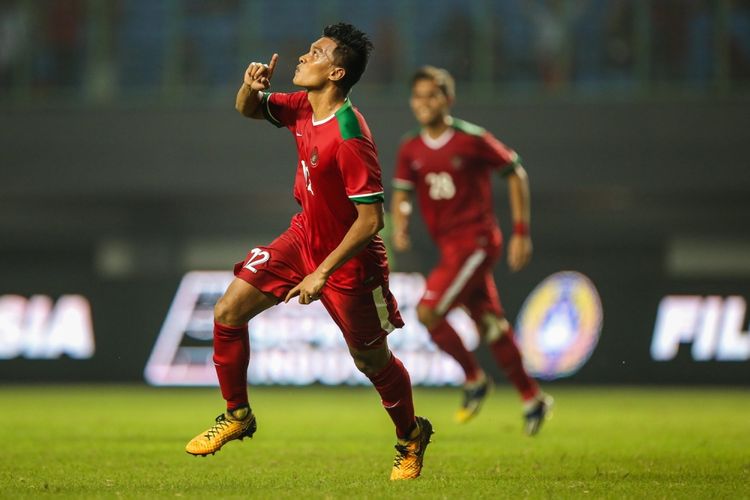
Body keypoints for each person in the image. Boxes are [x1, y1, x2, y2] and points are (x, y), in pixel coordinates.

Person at [183, 23, 432, 481]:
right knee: (228, 310)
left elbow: (371, 221)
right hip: (302, 238)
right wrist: (249, 88)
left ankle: (411, 436)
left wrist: (322, 273)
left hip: (350, 261)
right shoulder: (301, 107)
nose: (302, 57)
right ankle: (237, 416)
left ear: (336, 72)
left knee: (370, 361)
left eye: (315, 52)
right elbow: (249, 111)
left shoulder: (350, 134)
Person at [390, 66, 552, 435]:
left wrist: (521, 232)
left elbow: (515, 171)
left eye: (432, 95)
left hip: (476, 242)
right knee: (490, 324)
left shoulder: (470, 139)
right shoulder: (410, 147)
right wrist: (400, 223)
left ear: (448, 99)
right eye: (418, 96)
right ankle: (532, 398)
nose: (424, 103)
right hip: (449, 248)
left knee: (429, 311)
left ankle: (474, 378)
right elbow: (402, 192)